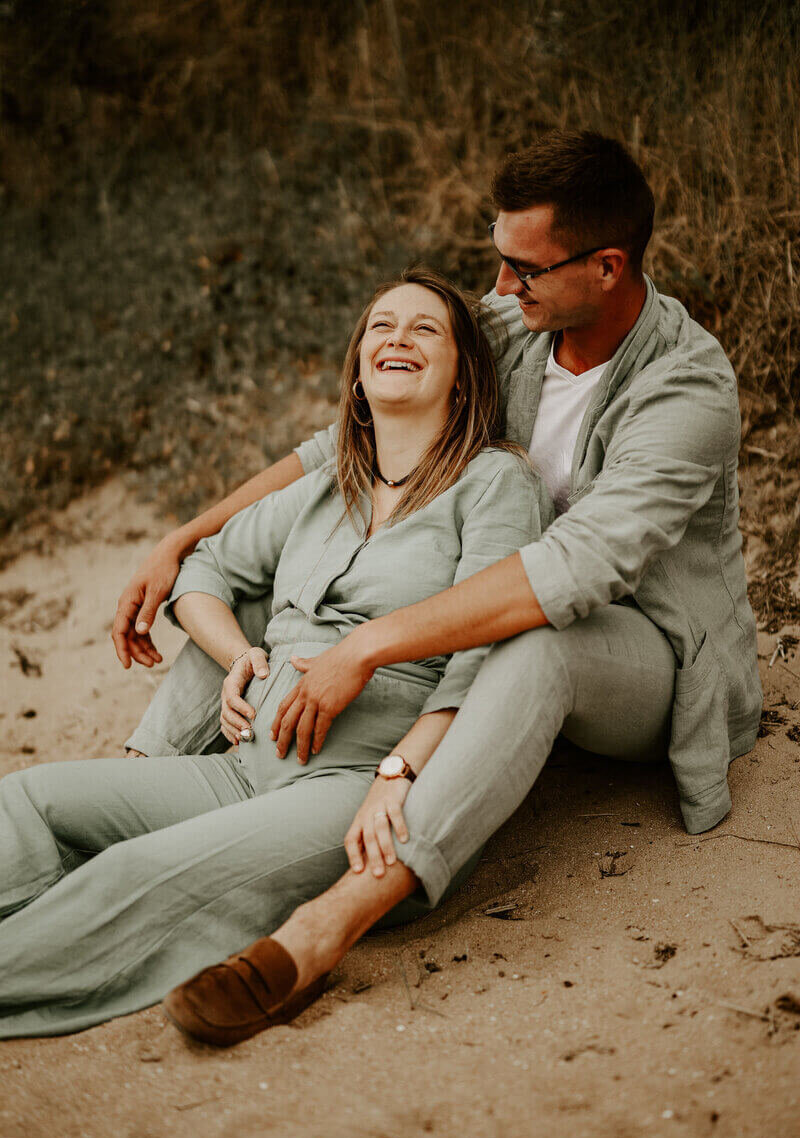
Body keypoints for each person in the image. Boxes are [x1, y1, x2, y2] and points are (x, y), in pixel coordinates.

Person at [111, 130, 761, 1045]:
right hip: (492, 621)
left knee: (540, 642)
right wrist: (186, 537)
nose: (499, 287)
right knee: (300, 574)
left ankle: (322, 929)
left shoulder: (688, 388)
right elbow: (339, 445)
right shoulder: (519, 321)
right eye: (498, 260)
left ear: (607, 267)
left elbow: (575, 572)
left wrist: (368, 648)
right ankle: (137, 785)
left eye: (522, 269)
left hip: (640, 655)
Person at [0, 268, 551, 1040]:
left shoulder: (495, 483)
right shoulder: (333, 483)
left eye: (426, 329)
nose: (397, 337)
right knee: (29, 801)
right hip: (237, 768)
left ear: (464, 379)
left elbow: (488, 650)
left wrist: (403, 775)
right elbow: (205, 571)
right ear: (357, 376)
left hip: (349, 785)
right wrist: (235, 657)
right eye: (380, 326)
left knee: (133, 875)